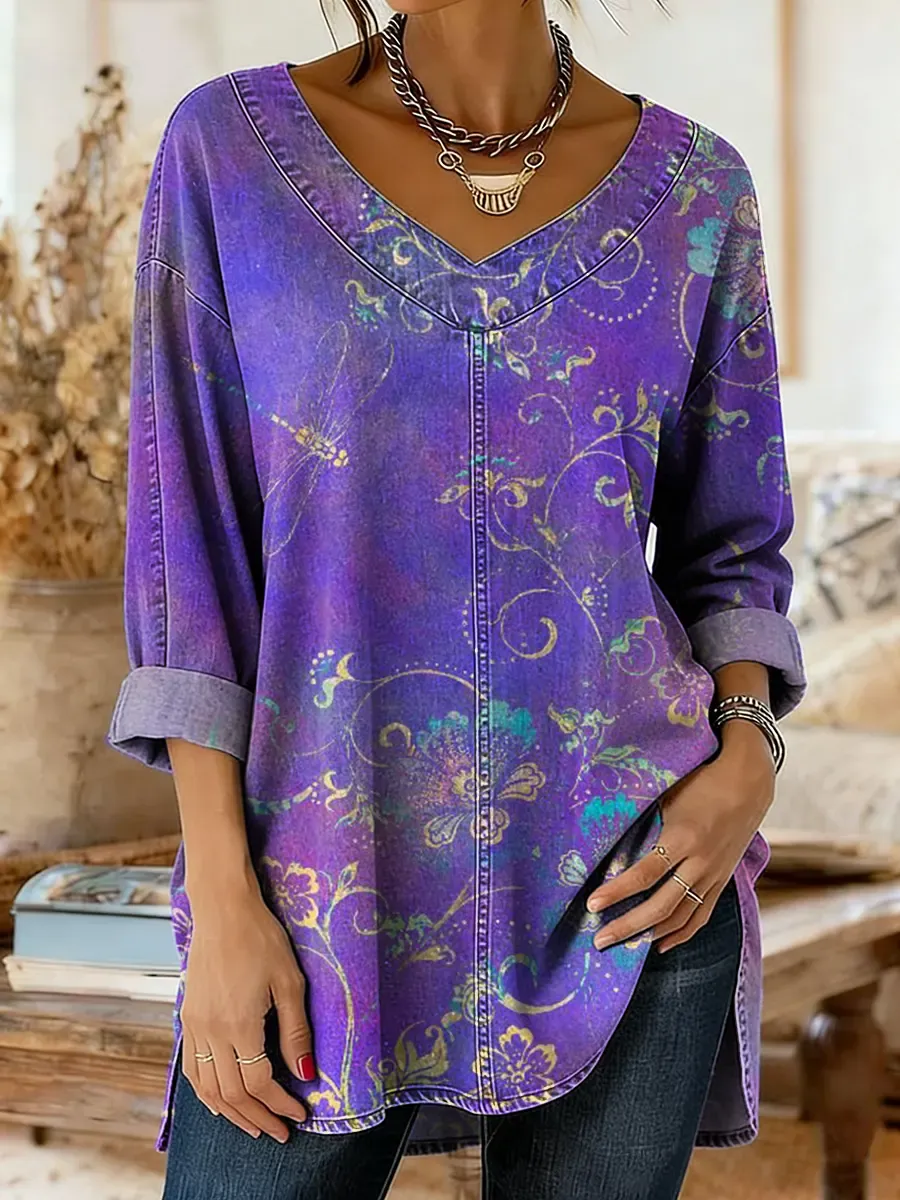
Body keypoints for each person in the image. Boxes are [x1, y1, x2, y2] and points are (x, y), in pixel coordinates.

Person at [107, 1, 806, 1196]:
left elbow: (732, 545)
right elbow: (191, 558)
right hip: (315, 896)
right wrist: (222, 899)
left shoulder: (698, 191)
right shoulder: (229, 153)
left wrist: (746, 763)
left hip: (632, 887)